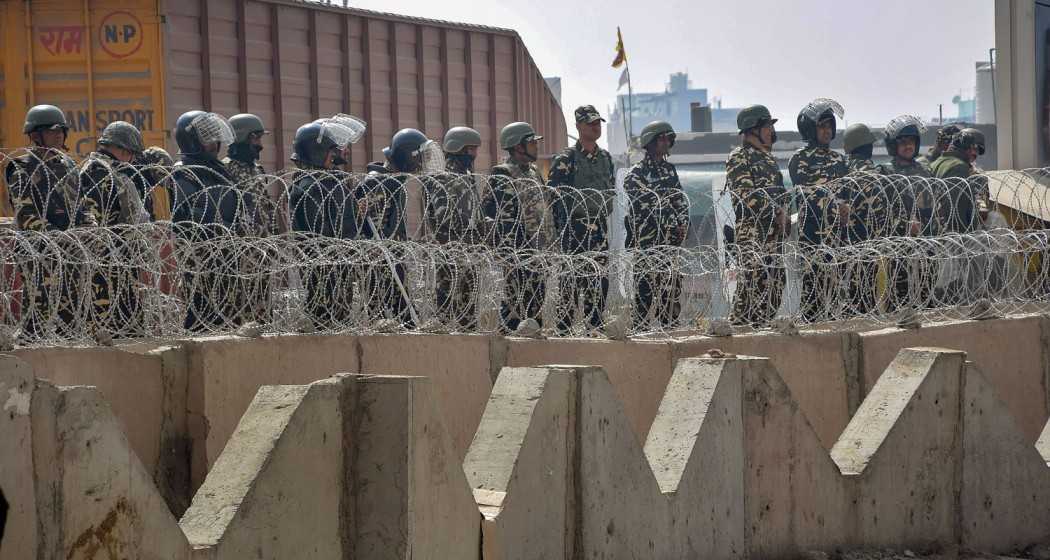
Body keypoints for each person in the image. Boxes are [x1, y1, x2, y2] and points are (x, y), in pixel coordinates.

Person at [5, 104, 94, 339]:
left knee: (71, 312)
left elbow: (81, 205)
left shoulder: (67, 167)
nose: (59, 135)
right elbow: (26, 215)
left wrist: (89, 227)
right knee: (38, 312)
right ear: (36, 135)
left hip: (70, 251)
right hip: (39, 252)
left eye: (62, 131)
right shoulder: (22, 169)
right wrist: (57, 236)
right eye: (53, 130)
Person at [171, 110, 257, 332]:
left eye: (214, 137)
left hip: (227, 259)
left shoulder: (219, 171)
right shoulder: (185, 174)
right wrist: (224, 231)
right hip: (201, 262)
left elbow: (239, 206)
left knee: (228, 317)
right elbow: (190, 218)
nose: (215, 143)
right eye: (208, 138)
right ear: (192, 140)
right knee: (203, 319)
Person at [79, 121, 151, 338]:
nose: (132, 160)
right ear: (121, 149)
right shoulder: (97, 172)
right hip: (106, 269)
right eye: (130, 154)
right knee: (111, 330)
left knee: (128, 328)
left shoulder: (111, 172)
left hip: (120, 264)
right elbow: (96, 228)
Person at [547, 105, 616, 333]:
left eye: (598, 123)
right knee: (571, 284)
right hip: (574, 229)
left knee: (599, 280)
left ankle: (595, 326)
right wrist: (562, 231)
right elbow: (554, 197)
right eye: (590, 123)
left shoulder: (605, 157)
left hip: (599, 229)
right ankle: (564, 331)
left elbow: (610, 189)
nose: (596, 127)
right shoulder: (566, 158)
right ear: (578, 126)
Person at [288, 120, 360, 330]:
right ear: (316, 151)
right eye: (330, 151)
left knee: (339, 312)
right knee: (324, 313)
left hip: (339, 262)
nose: (334, 156)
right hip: (324, 267)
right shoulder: (310, 187)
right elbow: (319, 233)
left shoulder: (328, 181)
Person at [483, 121, 553, 333]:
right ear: (517, 146)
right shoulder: (503, 174)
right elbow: (500, 220)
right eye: (531, 142)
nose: (536, 146)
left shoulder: (533, 172)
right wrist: (511, 257)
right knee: (515, 308)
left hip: (539, 251)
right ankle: (508, 351)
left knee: (535, 309)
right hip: (518, 254)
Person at [725, 105, 788, 327]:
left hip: (774, 235)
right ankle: (739, 330)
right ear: (753, 130)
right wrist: (776, 211)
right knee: (750, 288)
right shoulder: (739, 157)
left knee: (775, 286)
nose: (771, 131)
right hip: (752, 234)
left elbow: (781, 194)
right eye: (767, 126)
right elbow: (746, 195)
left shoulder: (769, 160)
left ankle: (760, 330)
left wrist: (785, 215)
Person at [623, 120, 690, 329]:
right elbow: (650, 206)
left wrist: (683, 224)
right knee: (644, 295)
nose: (666, 142)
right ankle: (641, 338)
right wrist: (672, 222)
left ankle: (669, 331)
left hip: (670, 246)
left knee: (670, 295)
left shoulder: (670, 170)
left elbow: (680, 200)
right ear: (650, 142)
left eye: (668, 138)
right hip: (647, 245)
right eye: (662, 138)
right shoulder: (635, 174)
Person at [788, 98, 850, 323]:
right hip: (813, 233)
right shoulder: (800, 158)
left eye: (829, 126)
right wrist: (836, 205)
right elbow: (806, 192)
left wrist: (846, 207)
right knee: (813, 286)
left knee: (836, 286)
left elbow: (847, 191)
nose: (827, 131)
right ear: (810, 129)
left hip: (838, 235)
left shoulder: (839, 159)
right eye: (821, 126)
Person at [422, 126, 484, 330]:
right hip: (450, 248)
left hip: (468, 248)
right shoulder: (444, 177)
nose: (474, 154)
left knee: (468, 303)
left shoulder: (465, 175)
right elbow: (442, 219)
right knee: (447, 299)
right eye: (470, 150)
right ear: (458, 149)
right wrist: (464, 234)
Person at [883, 115, 932, 312]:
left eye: (911, 141)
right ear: (893, 145)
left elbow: (933, 203)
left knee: (926, 288)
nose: (908, 146)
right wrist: (904, 224)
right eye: (902, 142)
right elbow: (883, 210)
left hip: (925, 239)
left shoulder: (924, 170)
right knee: (899, 292)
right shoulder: (886, 172)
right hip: (898, 242)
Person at [841, 123, 886, 315]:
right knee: (868, 294)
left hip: (850, 241)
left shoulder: (844, 168)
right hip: (871, 240)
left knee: (853, 292)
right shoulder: (870, 170)